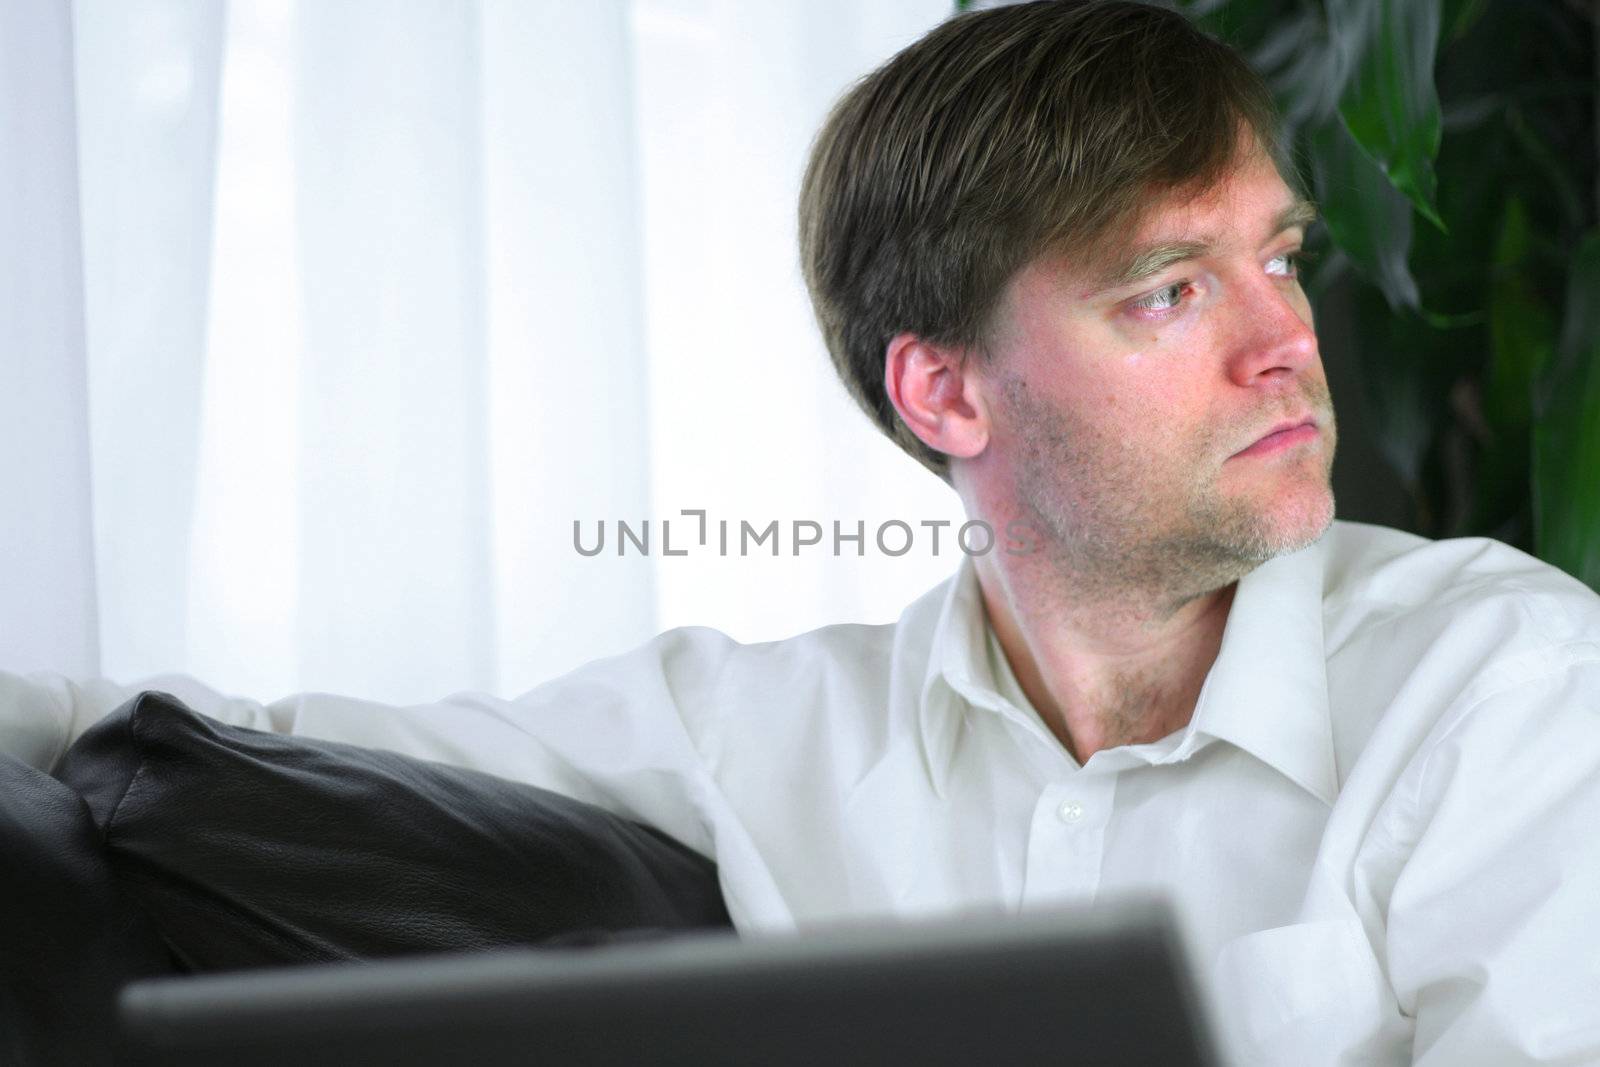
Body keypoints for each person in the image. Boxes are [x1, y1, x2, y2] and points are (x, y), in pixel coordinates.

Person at [4, 2, 1598, 1064]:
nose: (1286, 343)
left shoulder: (1504, 686)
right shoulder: (751, 733)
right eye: (1171, 291)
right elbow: (243, 742)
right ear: (945, 393)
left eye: (1281, 259)